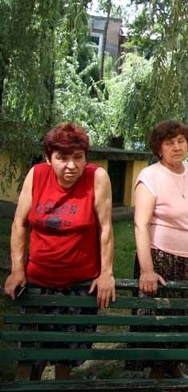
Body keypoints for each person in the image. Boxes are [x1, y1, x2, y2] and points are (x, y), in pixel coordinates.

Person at [3, 122, 115, 381]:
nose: (71, 166)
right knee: (30, 355)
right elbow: (19, 223)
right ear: (48, 158)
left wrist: (107, 272)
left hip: (78, 286)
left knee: (66, 358)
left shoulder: (96, 178)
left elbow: (106, 228)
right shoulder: (37, 175)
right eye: (62, 158)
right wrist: (17, 269)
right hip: (37, 284)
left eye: (78, 158)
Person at [130, 120, 188, 379]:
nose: (177, 147)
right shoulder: (150, 176)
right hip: (162, 260)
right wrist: (147, 270)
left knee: (185, 319)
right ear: (158, 148)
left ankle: (174, 366)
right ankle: (157, 372)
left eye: (181, 141)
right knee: (160, 320)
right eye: (169, 143)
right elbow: (140, 225)